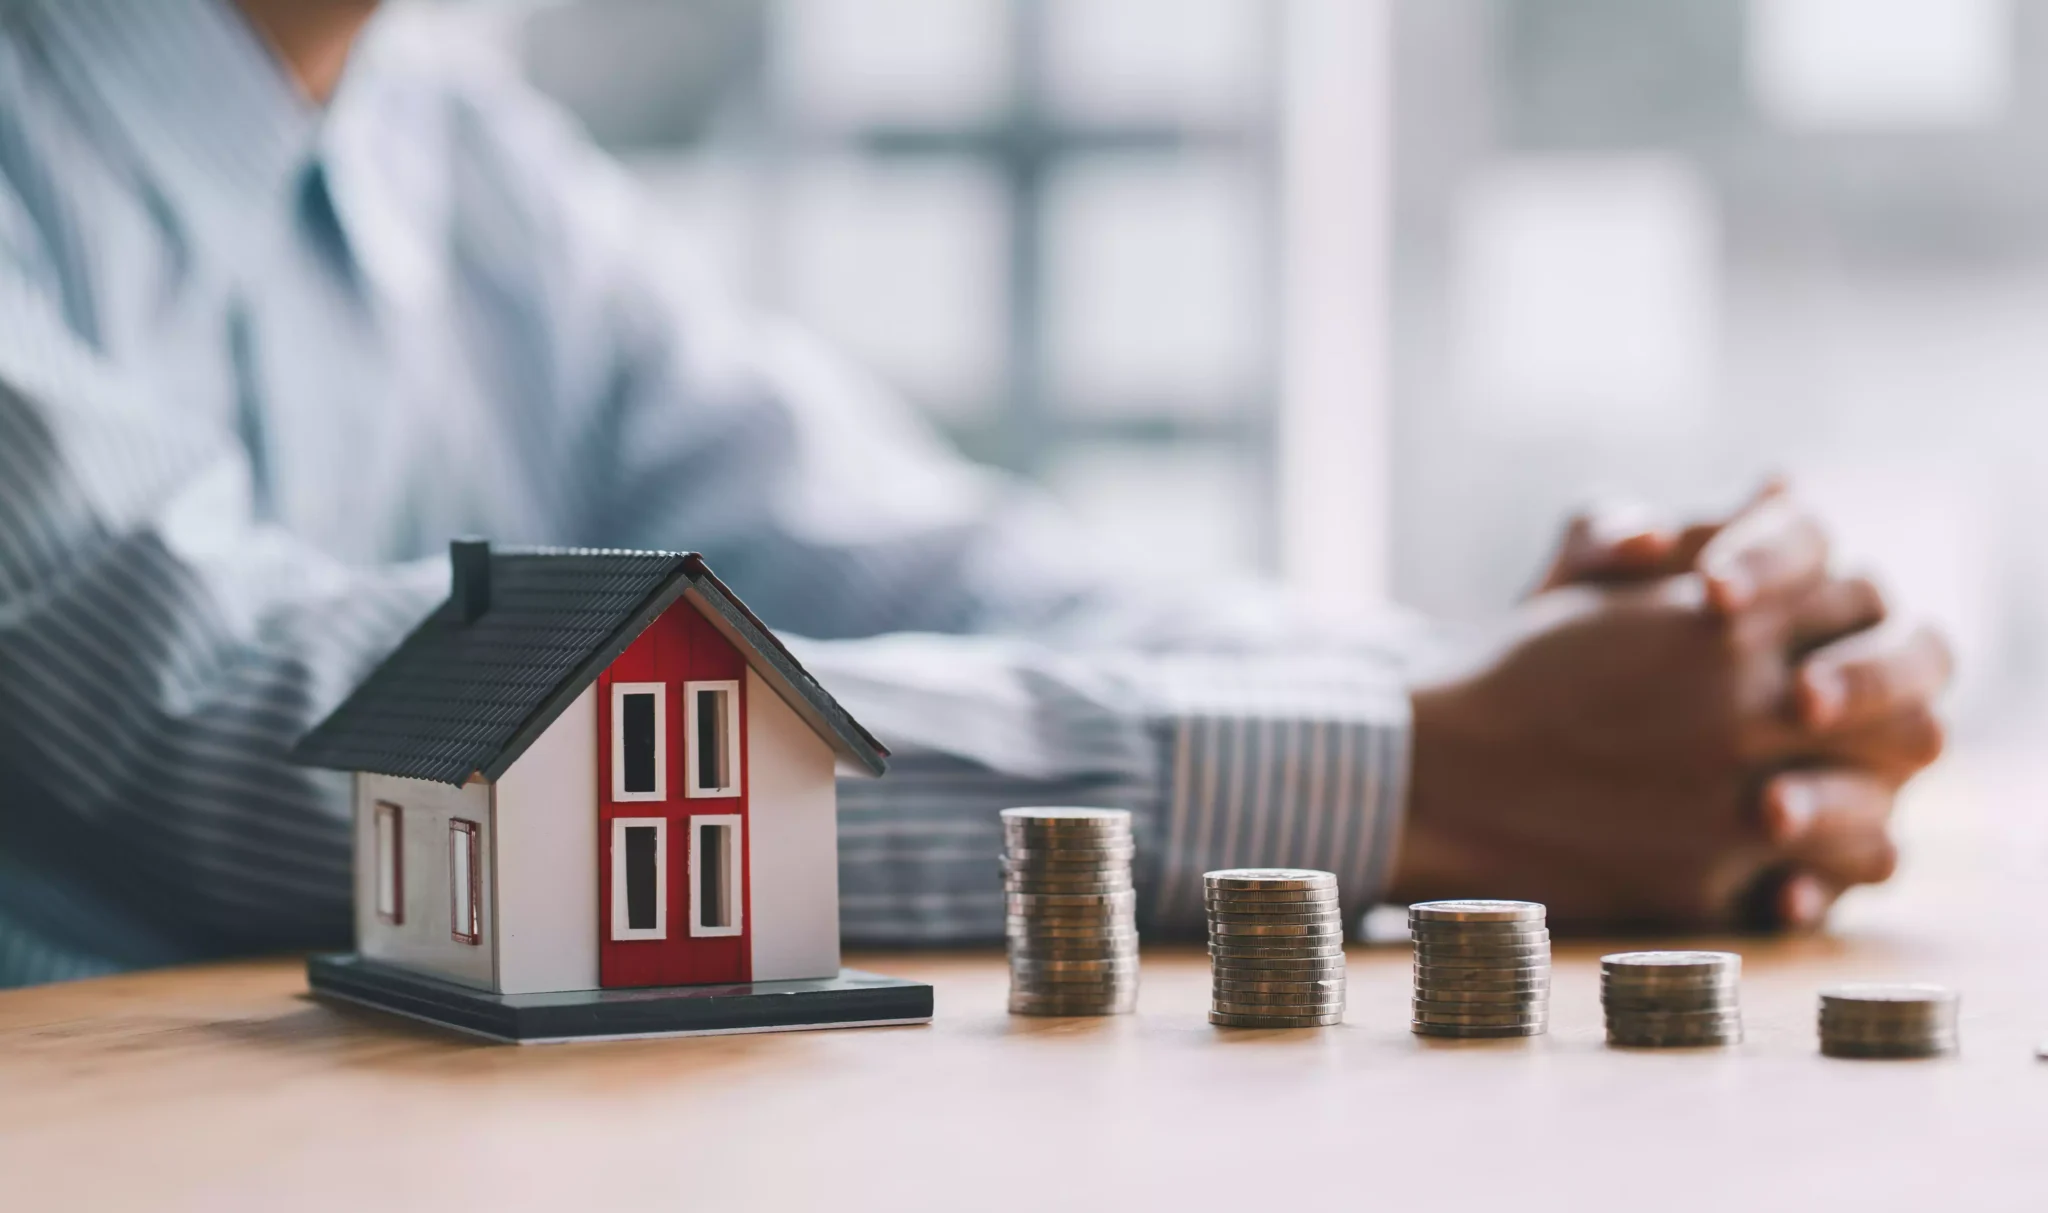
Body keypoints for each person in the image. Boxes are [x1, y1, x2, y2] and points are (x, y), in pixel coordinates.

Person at [0, 0, 1951, 986]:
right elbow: (254, 729)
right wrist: (1430, 770)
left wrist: (1548, 695)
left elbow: (909, 556)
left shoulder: (459, 159)